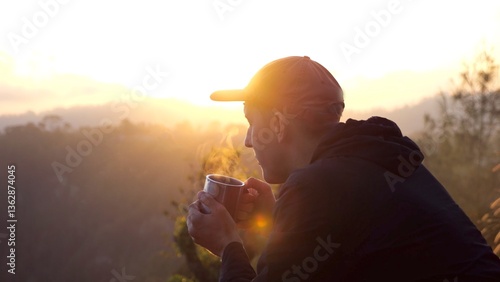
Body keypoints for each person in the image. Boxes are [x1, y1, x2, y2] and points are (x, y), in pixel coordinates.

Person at [187, 56, 500, 281]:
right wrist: (278, 223)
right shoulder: (381, 157)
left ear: (278, 125)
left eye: (252, 124)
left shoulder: (316, 186)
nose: (248, 141)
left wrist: (228, 246)